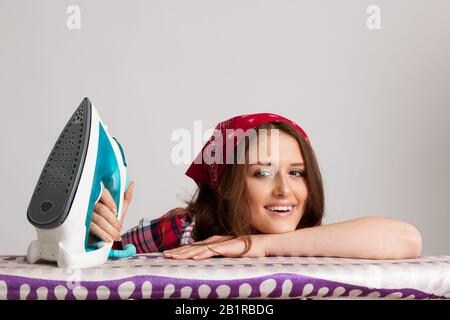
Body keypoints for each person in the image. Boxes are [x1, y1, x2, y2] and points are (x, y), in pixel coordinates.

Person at [89, 113, 422, 260]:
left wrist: (256, 245)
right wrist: (101, 236)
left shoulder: (312, 239)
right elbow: (110, 258)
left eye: (296, 173)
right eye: (262, 173)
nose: (284, 190)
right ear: (228, 185)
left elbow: (407, 239)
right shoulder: (185, 229)